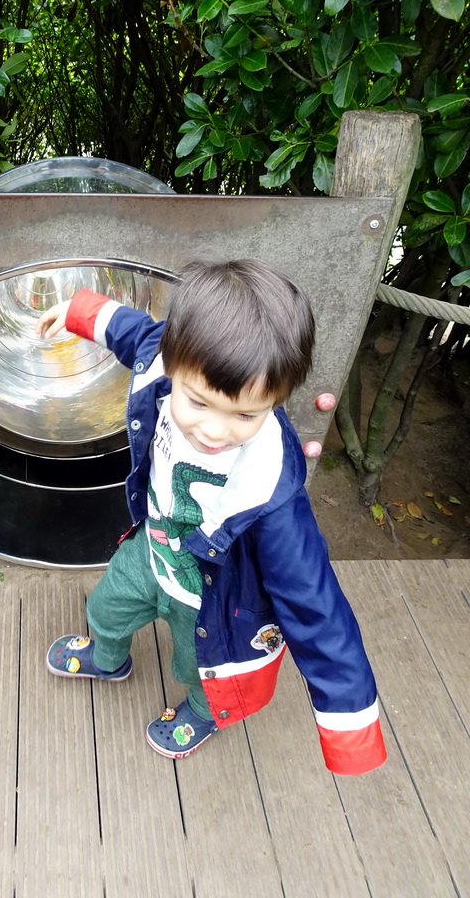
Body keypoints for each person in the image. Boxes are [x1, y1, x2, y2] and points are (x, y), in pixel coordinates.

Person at [36, 259, 386, 774]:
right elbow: (136, 331)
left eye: (246, 414)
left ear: (277, 398)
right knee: (106, 606)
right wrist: (79, 311)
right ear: (175, 366)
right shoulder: (165, 357)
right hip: (153, 550)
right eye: (198, 403)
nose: (216, 430)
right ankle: (108, 659)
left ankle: (202, 713)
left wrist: (350, 724)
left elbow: (314, 601)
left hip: (211, 597)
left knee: (201, 669)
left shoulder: (272, 495)